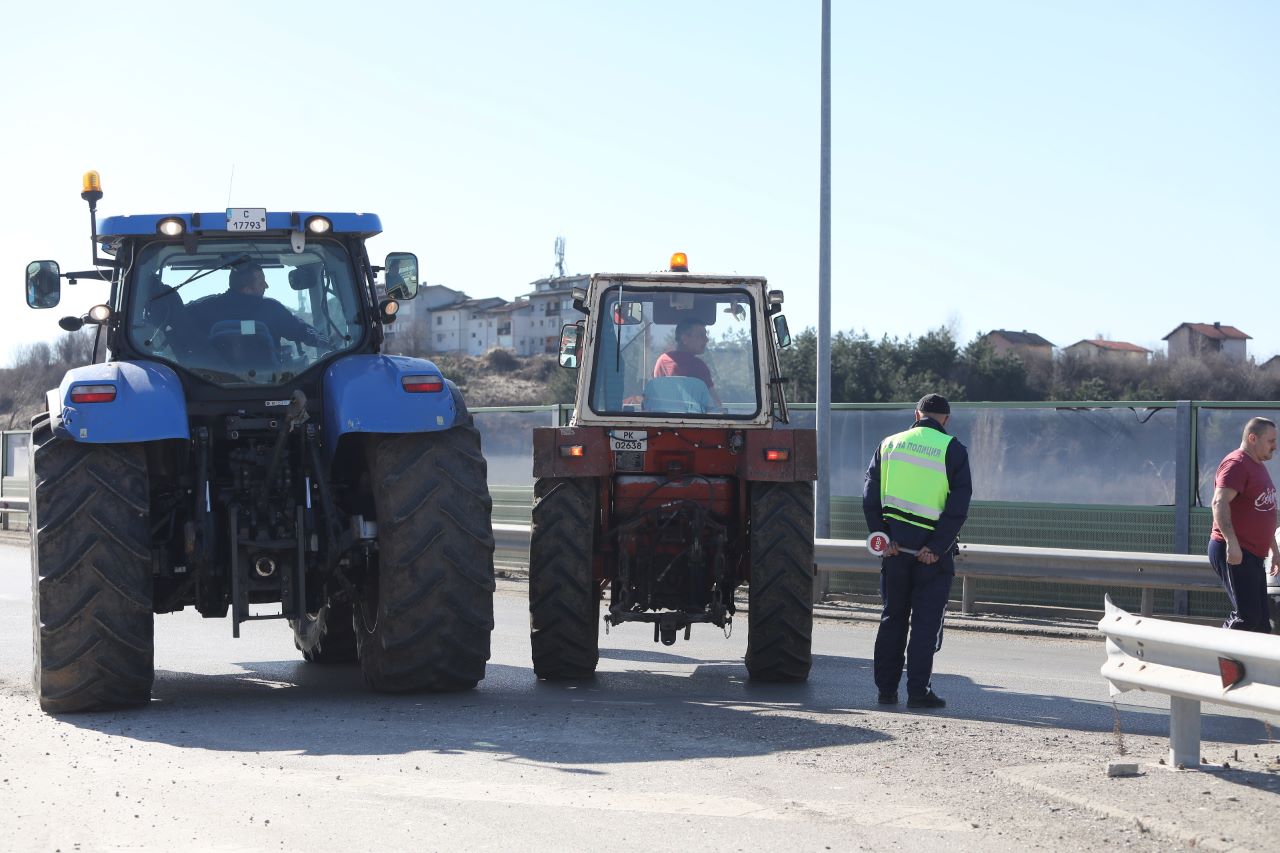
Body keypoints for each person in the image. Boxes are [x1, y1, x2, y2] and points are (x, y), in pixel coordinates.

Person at [863, 393, 972, 709]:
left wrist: (884, 539)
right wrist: (936, 548)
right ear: (946, 420)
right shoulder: (953, 450)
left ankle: (886, 691)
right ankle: (918, 692)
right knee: (925, 625)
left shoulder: (889, 444)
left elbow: (870, 497)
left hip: (895, 554)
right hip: (930, 559)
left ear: (917, 414)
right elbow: (958, 505)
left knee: (892, 619)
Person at [1208, 417, 1278, 633]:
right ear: (1252, 438)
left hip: (1254, 554)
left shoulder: (1257, 466)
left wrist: (1274, 551)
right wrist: (1232, 543)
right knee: (1247, 617)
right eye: (1270, 441)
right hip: (1236, 551)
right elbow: (1219, 502)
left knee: (1262, 625)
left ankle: (1255, 667)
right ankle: (1216, 654)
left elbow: (1263, 512)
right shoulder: (1237, 464)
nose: (1275, 446)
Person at [189, 261, 331, 352]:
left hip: (213, 384)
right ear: (247, 290)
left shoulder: (205, 308)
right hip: (270, 385)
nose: (266, 286)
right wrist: (329, 342)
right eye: (261, 282)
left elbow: (175, 320)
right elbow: (301, 331)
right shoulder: (271, 310)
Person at [652, 319, 723, 409]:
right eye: (701, 335)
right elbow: (716, 404)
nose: (706, 339)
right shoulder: (698, 366)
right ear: (685, 339)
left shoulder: (661, 361)